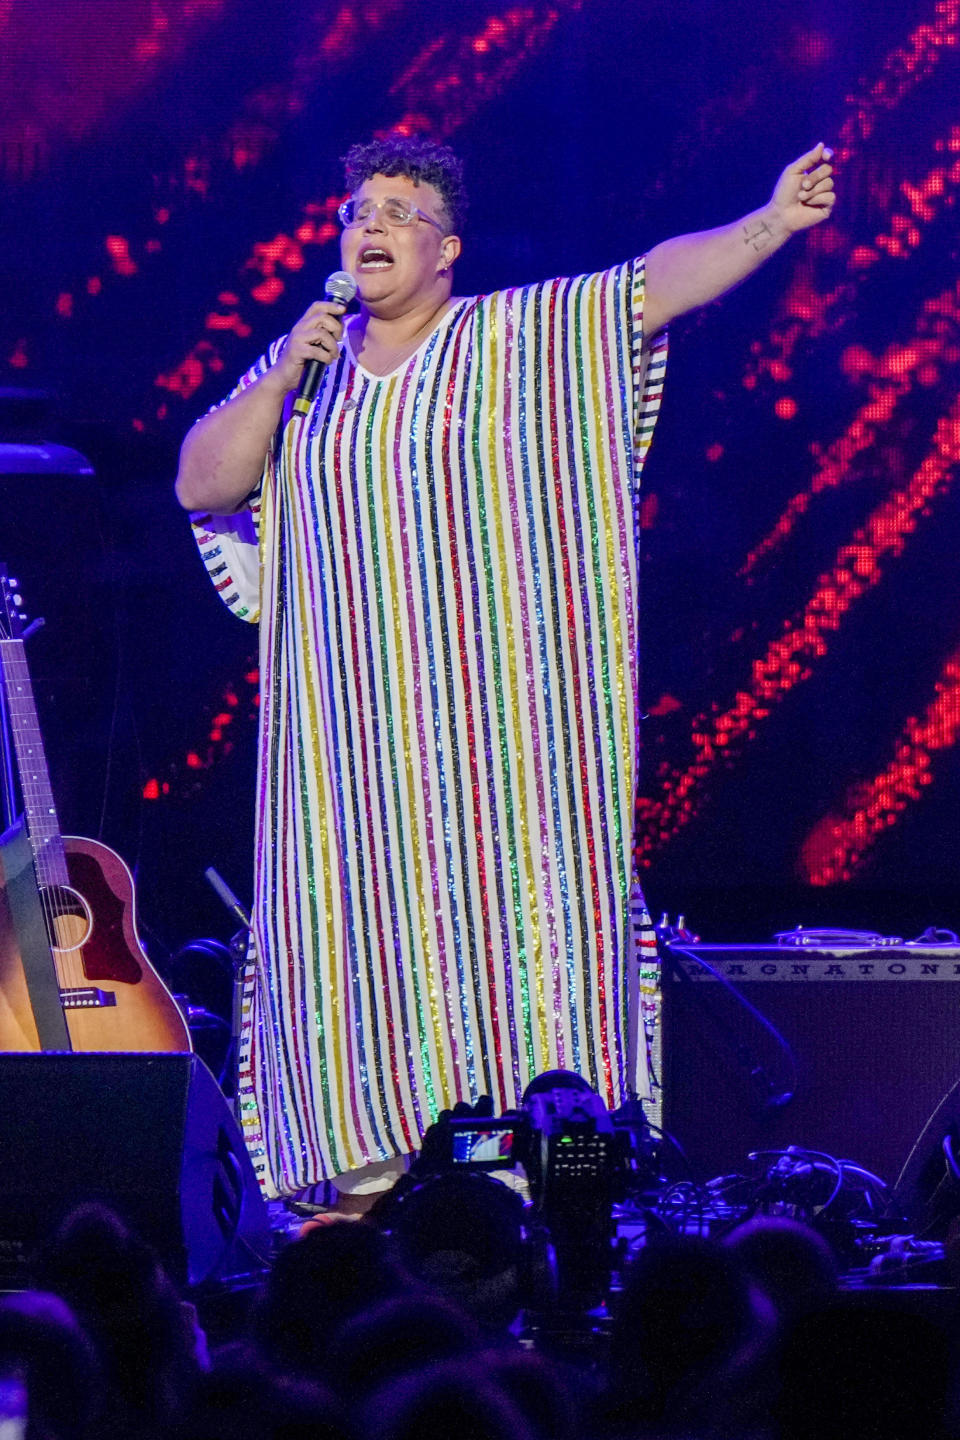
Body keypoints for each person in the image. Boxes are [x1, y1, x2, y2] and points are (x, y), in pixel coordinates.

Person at [175, 134, 835, 1201]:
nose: (370, 226)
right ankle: (375, 1186)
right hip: (353, 756)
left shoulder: (515, 338)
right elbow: (202, 483)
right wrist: (283, 377)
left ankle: (545, 1180)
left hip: (507, 749)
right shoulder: (305, 373)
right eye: (358, 211)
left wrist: (768, 222)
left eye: (397, 210)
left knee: (527, 952)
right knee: (364, 962)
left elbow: (643, 291)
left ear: (446, 250)